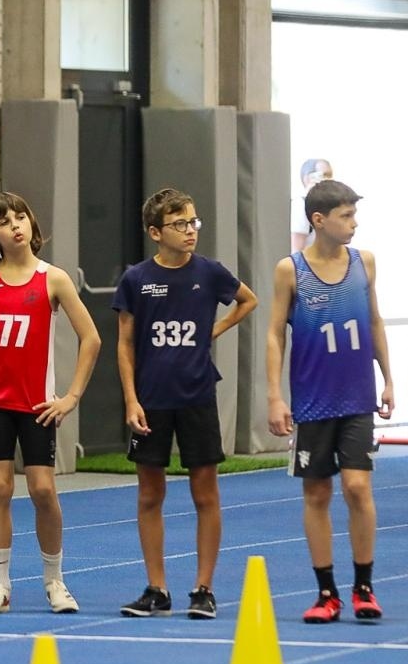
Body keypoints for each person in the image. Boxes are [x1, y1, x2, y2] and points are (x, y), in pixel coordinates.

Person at [0, 192, 101, 615]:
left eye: (20, 217)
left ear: (32, 224)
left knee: (43, 489)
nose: (15, 226)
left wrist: (71, 397)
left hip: (37, 405)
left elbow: (91, 338)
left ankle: (55, 581)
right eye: (4, 221)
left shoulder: (53, 279)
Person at [115, 188, 257, 618]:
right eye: (179, 224)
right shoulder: (137, 279)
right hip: (152, 398)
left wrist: (214, 330)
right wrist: (131, 400)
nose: (190, 231)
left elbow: (248, 300)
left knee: (205, 492)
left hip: (197, 395)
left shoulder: (210, 273)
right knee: (149, 494)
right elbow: (124, 344)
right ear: (156, 232)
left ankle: (203, 588)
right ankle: (156, 587)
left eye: (193, 222)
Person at [265, 179, 394, 623]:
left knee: (358, 487)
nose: (354, 224)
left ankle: (364, 587)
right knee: (317, 492)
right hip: (313, 400)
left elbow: (374, 322)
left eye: (355, 215)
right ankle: (326, 592)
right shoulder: (291, 270)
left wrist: (389, 379)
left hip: (357, 396)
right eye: (346, 216)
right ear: (319, 220)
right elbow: (274, 334)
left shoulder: (364, 263)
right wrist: (274, 395)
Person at [290, 158, 333, 252]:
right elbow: (296, 251)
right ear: (307, 178)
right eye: (324, 175)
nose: (329, 180)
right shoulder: (301, 204)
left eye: (330, 176)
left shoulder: (324, 204)